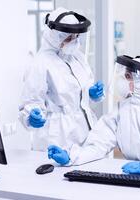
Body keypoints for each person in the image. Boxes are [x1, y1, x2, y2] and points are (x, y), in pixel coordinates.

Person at [48, 55, 140, 175]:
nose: (121, 80)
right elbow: (98, 144)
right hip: (134, 178)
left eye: (127, 76)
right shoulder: (120, 111)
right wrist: (72, 157)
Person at [19, 8, 104, 151]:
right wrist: (31, 116)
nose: (75, 41)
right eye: (69, 38)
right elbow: (31, 102)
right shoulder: (40, 63)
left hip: (84, 129)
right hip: (57, 136)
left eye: (76, 36)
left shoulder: (78, 58)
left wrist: (91, 92)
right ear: (55, 36)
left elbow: (81, 89)